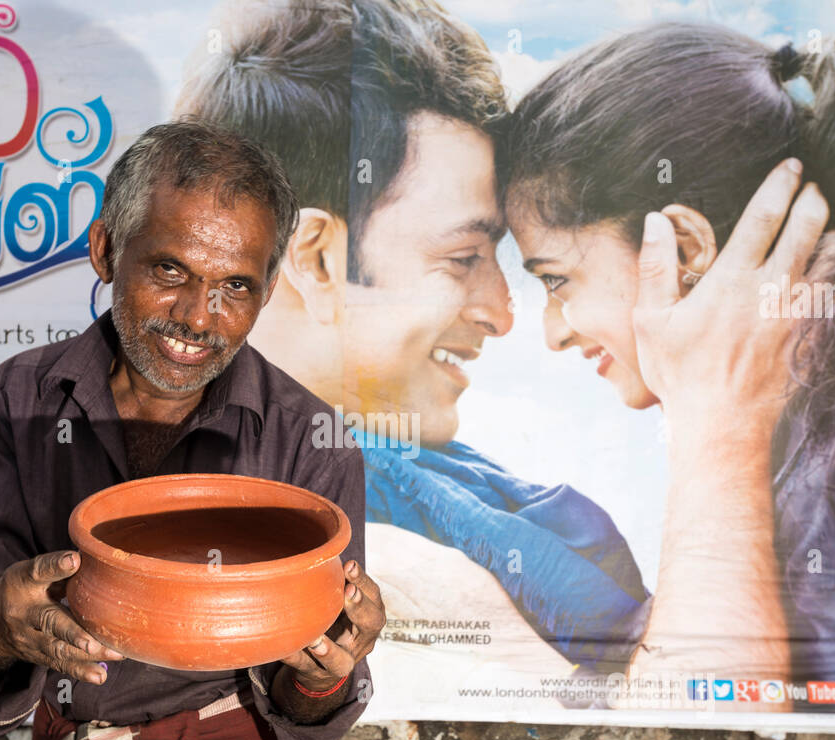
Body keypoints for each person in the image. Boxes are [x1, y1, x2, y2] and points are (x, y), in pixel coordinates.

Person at [0, 120, 386, 740]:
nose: (199, 317)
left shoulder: (307, 441)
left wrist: (325, 674)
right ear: (105, 249)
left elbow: (311, 695)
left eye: (236, 286)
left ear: (268, 287)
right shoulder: (22, 401)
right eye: (170, 271)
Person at [176, 0, 651, 671]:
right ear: (315, 259)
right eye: (462, 259)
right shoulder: (352, 543)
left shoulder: (412, 481)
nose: (503, 313)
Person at [500, 24, 835, 714]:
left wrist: (715, 426)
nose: (551, 332)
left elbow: (706, 731)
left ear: (682, 247)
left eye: (555, 280)